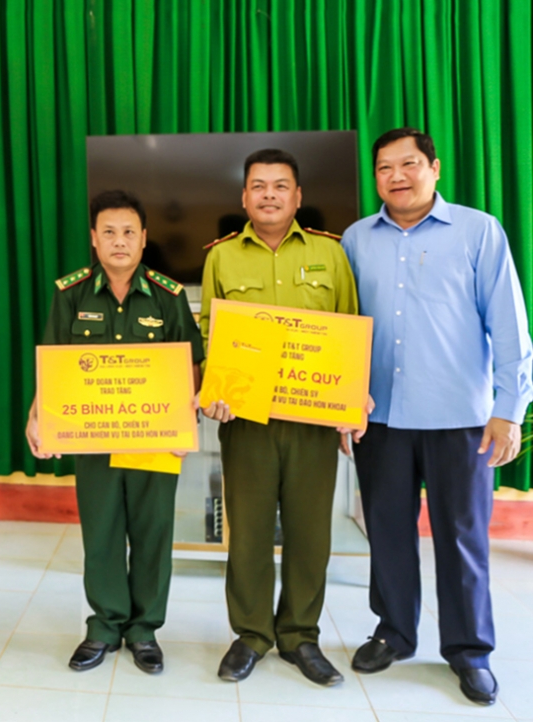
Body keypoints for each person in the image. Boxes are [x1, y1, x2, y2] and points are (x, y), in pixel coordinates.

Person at [341, 128, 533, 706]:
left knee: (462, 537)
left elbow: (509, 324)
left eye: (408, 164)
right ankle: (394, 633)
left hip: (460, 419)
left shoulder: (479, 231)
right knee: (387, 532)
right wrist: (341, 405)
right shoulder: (355, 238)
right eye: (384, 168)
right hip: (380, 418)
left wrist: (509, 411)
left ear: (435, 167)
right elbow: (341, 330)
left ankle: (470, 651)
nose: (396, 176)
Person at [26, 190, 203, 675]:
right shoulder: (72, 293)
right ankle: (104, 626)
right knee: (101, 531)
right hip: (94, 436)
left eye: (128, 232)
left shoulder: (168, 296)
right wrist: (37, 416)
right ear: (94, 239)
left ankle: (144, 630)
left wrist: (184, 424)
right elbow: (53, 364)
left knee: (152, 533)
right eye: (109, 232)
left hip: (154, 439)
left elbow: (191, 364)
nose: (119, 241)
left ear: (144, 238)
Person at [200, 149, 358, 686]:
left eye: (280, 185)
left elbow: (350, 327)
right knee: (247, 532)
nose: (269, 194)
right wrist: (215, 389)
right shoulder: (222, 257)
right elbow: (210, 334)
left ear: (298, 196)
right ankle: (250, 636)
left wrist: (350, 401)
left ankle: (299, 636)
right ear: (244, 197)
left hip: (313, 421)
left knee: (310, 533)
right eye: (259, 186)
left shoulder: (330, 253)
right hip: (247, 420)